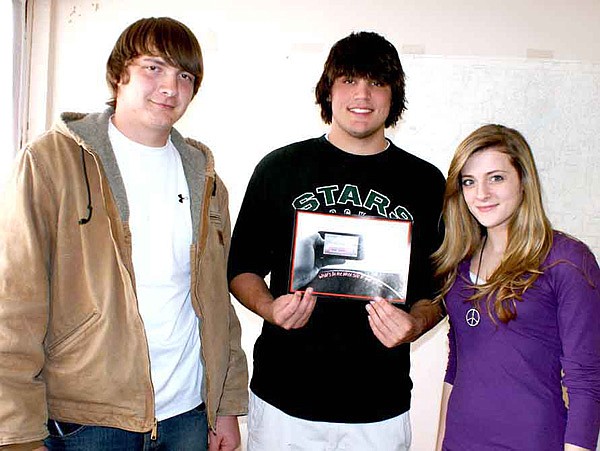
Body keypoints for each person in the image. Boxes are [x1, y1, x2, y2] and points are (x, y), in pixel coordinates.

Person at [0, 17, 247, 451]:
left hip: (186, 415)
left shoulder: (205, 177)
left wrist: (224, 405)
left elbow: (215, 301)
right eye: (154, 67)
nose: (170, 87)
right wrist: (15, 432)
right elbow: (13, 302)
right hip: (87, 420)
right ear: (119, 74)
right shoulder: (50, 162)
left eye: (184, 75)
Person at [228, 31, 445, 450]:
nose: (361, 94)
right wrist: (270, 308)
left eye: (376, 82)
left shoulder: (426, 182)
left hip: (379, 410)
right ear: (328, 90)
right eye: (348, 80)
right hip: (282, 404)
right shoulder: (279, 168)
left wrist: (415, 324)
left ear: (393, 94)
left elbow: (440, 288)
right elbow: (241, 268)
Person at [433, 124, 600, 451]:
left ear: (523, 181)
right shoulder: (460, 263)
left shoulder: (566, 261)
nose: (481, 194)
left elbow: (588, 384)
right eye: (469, 182)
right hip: (460, 442)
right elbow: (456, 366)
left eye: (496, 178)